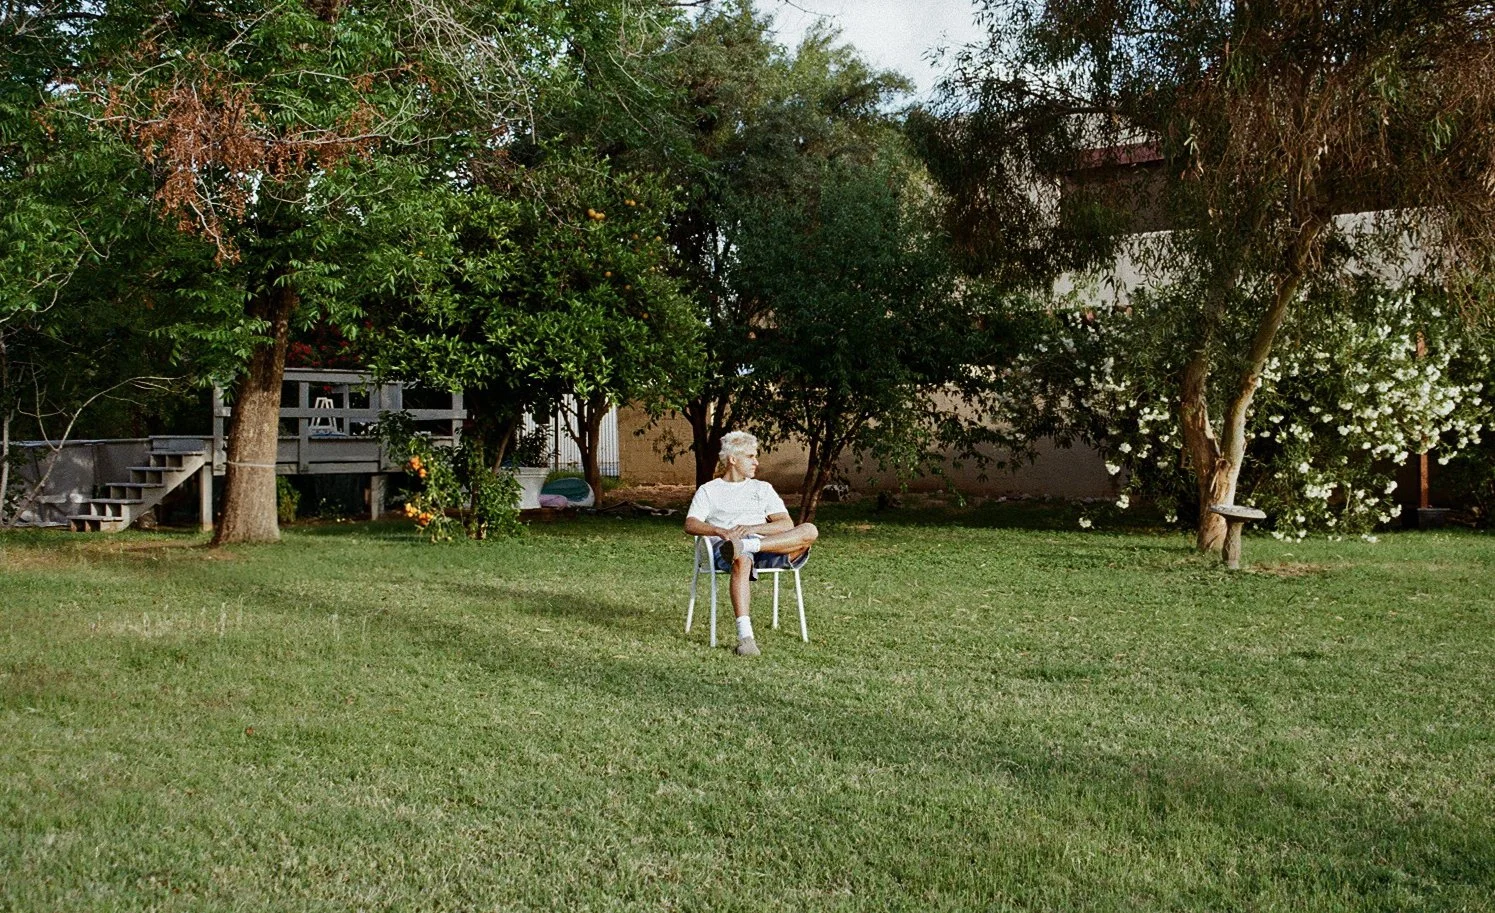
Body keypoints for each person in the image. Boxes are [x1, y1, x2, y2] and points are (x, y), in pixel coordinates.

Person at [684, 430, 819, 656]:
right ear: (733, 460)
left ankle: (748, 546)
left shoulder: (762, 488)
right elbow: (690, 524)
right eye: (750, 456)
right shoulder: (709, 490)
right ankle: (746, 638)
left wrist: (752, 530)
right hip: (727, 549)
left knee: (809, 530)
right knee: (741, 556)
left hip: (763, 544)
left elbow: (785, 523)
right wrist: (720, 530)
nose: (756, 462)